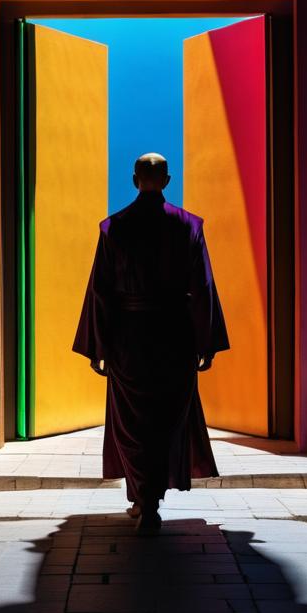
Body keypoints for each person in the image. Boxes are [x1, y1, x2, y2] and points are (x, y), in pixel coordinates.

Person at [72, 152, 230, 534]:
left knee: (134, 421)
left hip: (129, 337)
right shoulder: (189, 226)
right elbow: (202, 287)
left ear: (133, 179)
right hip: (174, 334)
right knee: (165, 419)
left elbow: (101, 291)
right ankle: (152, 500)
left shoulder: (115, 228)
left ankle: (142, 498)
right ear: (168, 180)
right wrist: (204, 341)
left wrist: (99, 345)